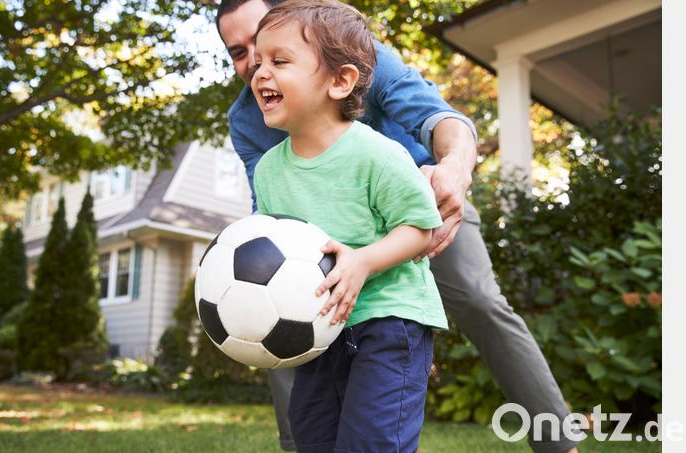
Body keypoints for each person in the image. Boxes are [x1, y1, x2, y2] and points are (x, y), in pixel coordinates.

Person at [216, 1, 580, 452]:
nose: (253, 61)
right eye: (238, 51)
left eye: (263, 40)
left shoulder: (351, 52)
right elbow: (270, 221)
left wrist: (454, 170)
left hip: (418, 202)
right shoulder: (246, 119)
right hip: (328, 242)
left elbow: (439, 118)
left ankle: (558, 442)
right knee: (280, 308)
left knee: (479, 300)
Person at [250, 2, 446, 451]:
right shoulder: (268, 171)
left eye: (279, 61)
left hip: (389, 322)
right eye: (258, 61)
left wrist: (362, 262)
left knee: (371, 443)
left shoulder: (377, 155)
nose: (261, 73)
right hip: (317, 331)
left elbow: (421, 229)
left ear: (340, 81)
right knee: (314, 439)